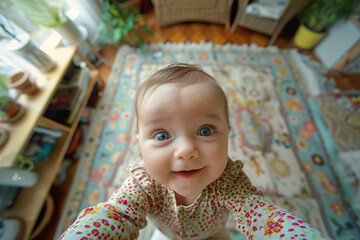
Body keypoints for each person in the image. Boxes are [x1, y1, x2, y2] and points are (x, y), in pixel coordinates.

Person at [60, 63, 330, 240]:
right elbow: (115, 215)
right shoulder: (143, 185)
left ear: (228, 132)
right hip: (165, 234)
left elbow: (262, 216)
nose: (187, 150)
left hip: (215, 235)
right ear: (139, 144)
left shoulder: (230, 183)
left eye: (205, 131)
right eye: (162, 135)